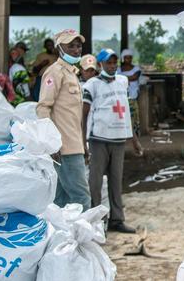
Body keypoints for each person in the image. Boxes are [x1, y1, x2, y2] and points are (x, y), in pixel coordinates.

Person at [83, 49, 143, 233]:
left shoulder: (122, 82)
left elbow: (125, 113)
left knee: (116, 181)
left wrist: (134, 140)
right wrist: (82, 142)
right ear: (101, 64)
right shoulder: (92, 85)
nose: (112, 66)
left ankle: (117, 220)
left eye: (114, 62)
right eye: (108, 63)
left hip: (118, 139)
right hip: (98, 139)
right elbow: (83, 115)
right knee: (95, 183)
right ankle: (97, 221)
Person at [36, 29, 91, 210]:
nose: (76, 50)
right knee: (81, 197)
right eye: (71, 46)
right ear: (60, 48)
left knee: (61, 199)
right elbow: (43, 107)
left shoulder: (71, 73)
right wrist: (51, 142)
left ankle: (63, 236)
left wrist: (83, 145)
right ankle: (84, 237)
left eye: (78, 46)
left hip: (73, 145)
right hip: (64, 148)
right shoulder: (54, 73)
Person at [118, 49, 142, 137]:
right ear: (123, 58)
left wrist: (122, 77)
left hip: (132, 95)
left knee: (133, 113)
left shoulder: (136, 69)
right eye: (126, 58)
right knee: (122, 114)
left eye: (130, 57)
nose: (128, 59)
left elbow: (134, 77)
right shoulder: (118, 69)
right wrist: (126, 78)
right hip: (121, 95)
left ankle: (134, 132)